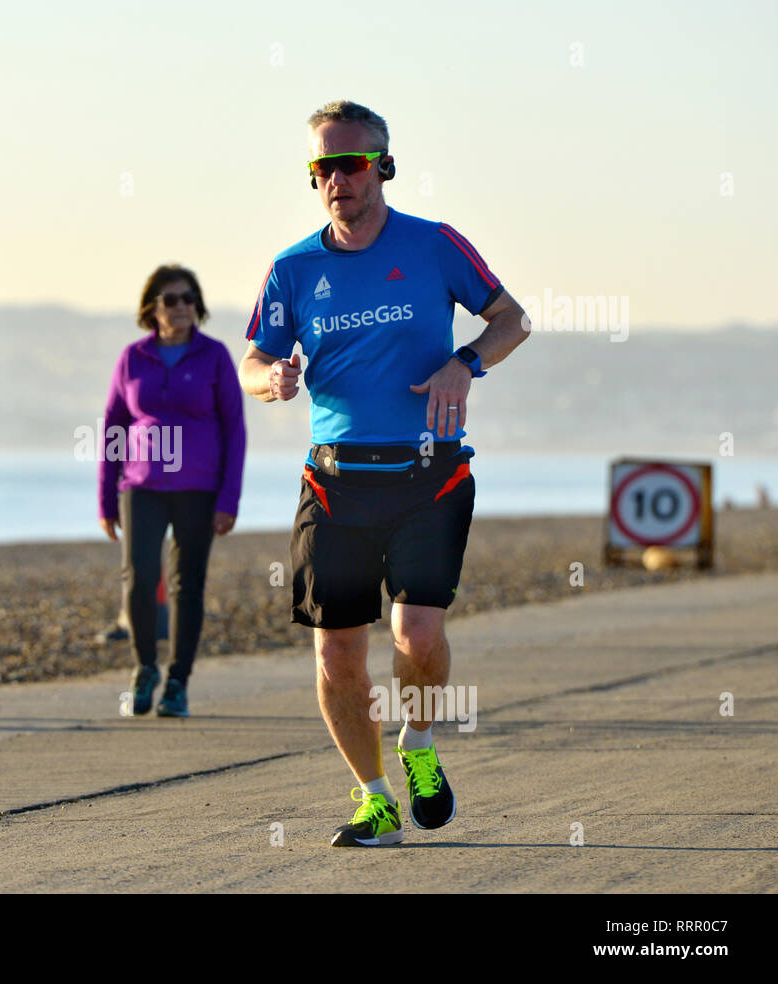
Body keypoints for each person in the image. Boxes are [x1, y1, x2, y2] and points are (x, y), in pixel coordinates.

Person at [239, 100, 529, 846]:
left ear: (383, 166)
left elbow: (511, 320)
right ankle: (374, 798)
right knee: (337, 649)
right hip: (334, 481)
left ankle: (420, 747)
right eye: (323, 167)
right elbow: (252, 361)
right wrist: (269, 380)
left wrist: (465, 365)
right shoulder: (294, 268)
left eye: (352, 162)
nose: (338, 178)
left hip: (427, 475)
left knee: (418, 635)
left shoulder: (433, 245)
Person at [98, 265, 246, 717]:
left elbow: (235, 430)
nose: (181, 306)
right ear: (152, 308)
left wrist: (228, 500)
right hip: (140, 486)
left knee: (187, 586)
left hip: (198, 488)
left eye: (188, 298)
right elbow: (113, 428)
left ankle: (178, 681)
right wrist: (106, 498)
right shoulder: (132, 357)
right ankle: (145, 669)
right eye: (170, 299)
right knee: (139, 579)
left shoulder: (215, 356)